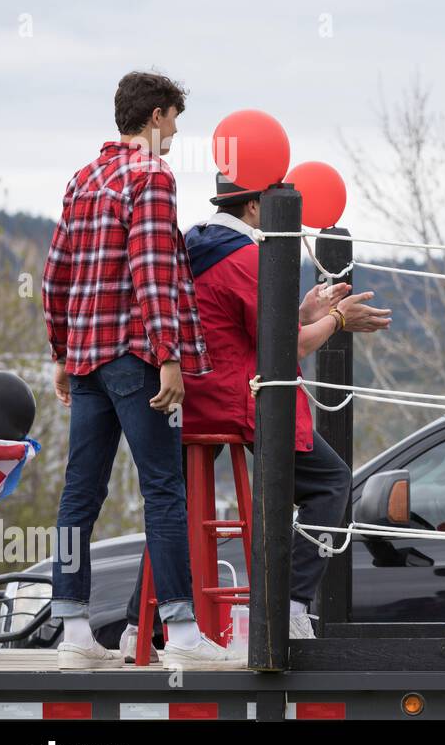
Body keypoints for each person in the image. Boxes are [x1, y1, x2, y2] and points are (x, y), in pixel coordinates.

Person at [118, 173, 392, 659]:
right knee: (331, 482)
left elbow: (248, 323)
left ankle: (138, 625)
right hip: (232, 398)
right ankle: (290, 608)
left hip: (180, 398)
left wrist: (304, 310)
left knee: (170, 507)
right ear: (254, 209)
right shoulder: (248, 258)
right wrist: (339, 319)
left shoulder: (191, 245)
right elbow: (287, 349)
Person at [42, 71, 232, 668]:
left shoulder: (84, 178)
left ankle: (72, 629)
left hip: (87, 358)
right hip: (136, 355)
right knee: (164, 490)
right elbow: (152, 270)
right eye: (174, 118)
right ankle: (181, 632)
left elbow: (55, 277)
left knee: (79, 494)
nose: (176, 130)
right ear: (155, 116)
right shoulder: (151, 175)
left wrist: (61, 356)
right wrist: (170, 356)